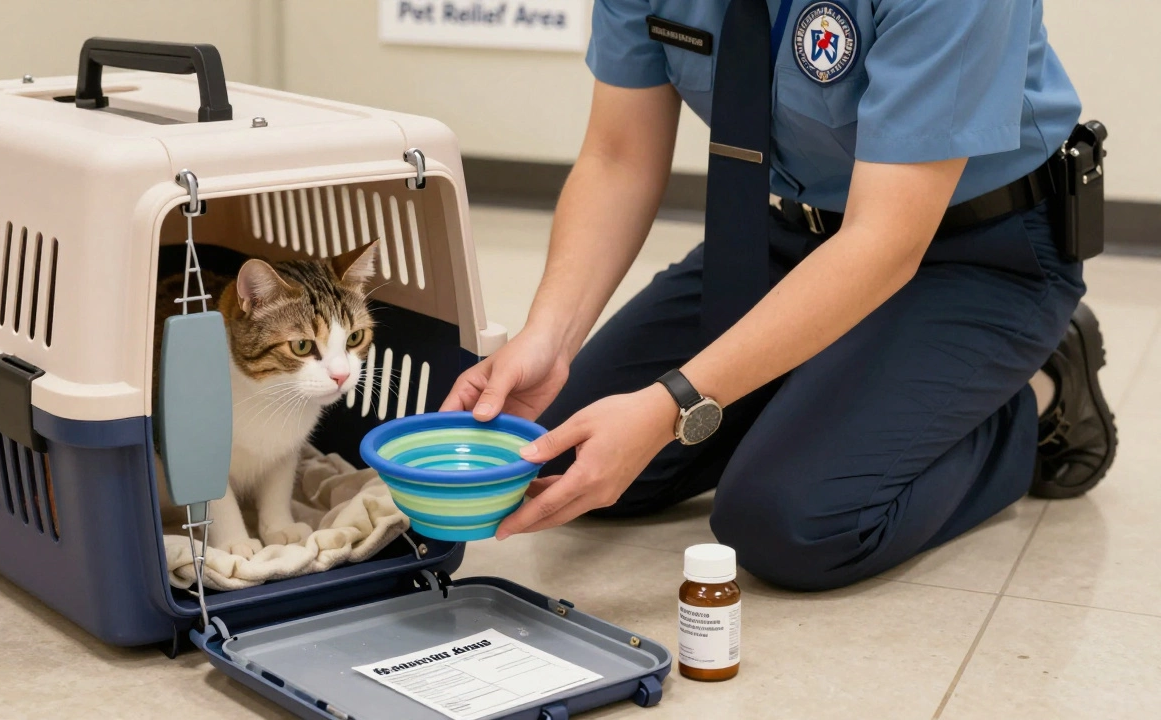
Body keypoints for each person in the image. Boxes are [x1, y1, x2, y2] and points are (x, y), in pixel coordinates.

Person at [442, 0, 1117, 591]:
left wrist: (671, 402)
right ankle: (812, 387)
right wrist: (547, 339)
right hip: (786, 236)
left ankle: (1038, 396)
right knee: (559, 454)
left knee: (789, 521)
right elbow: (618, 157)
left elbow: (885, 242)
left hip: (976, 252)